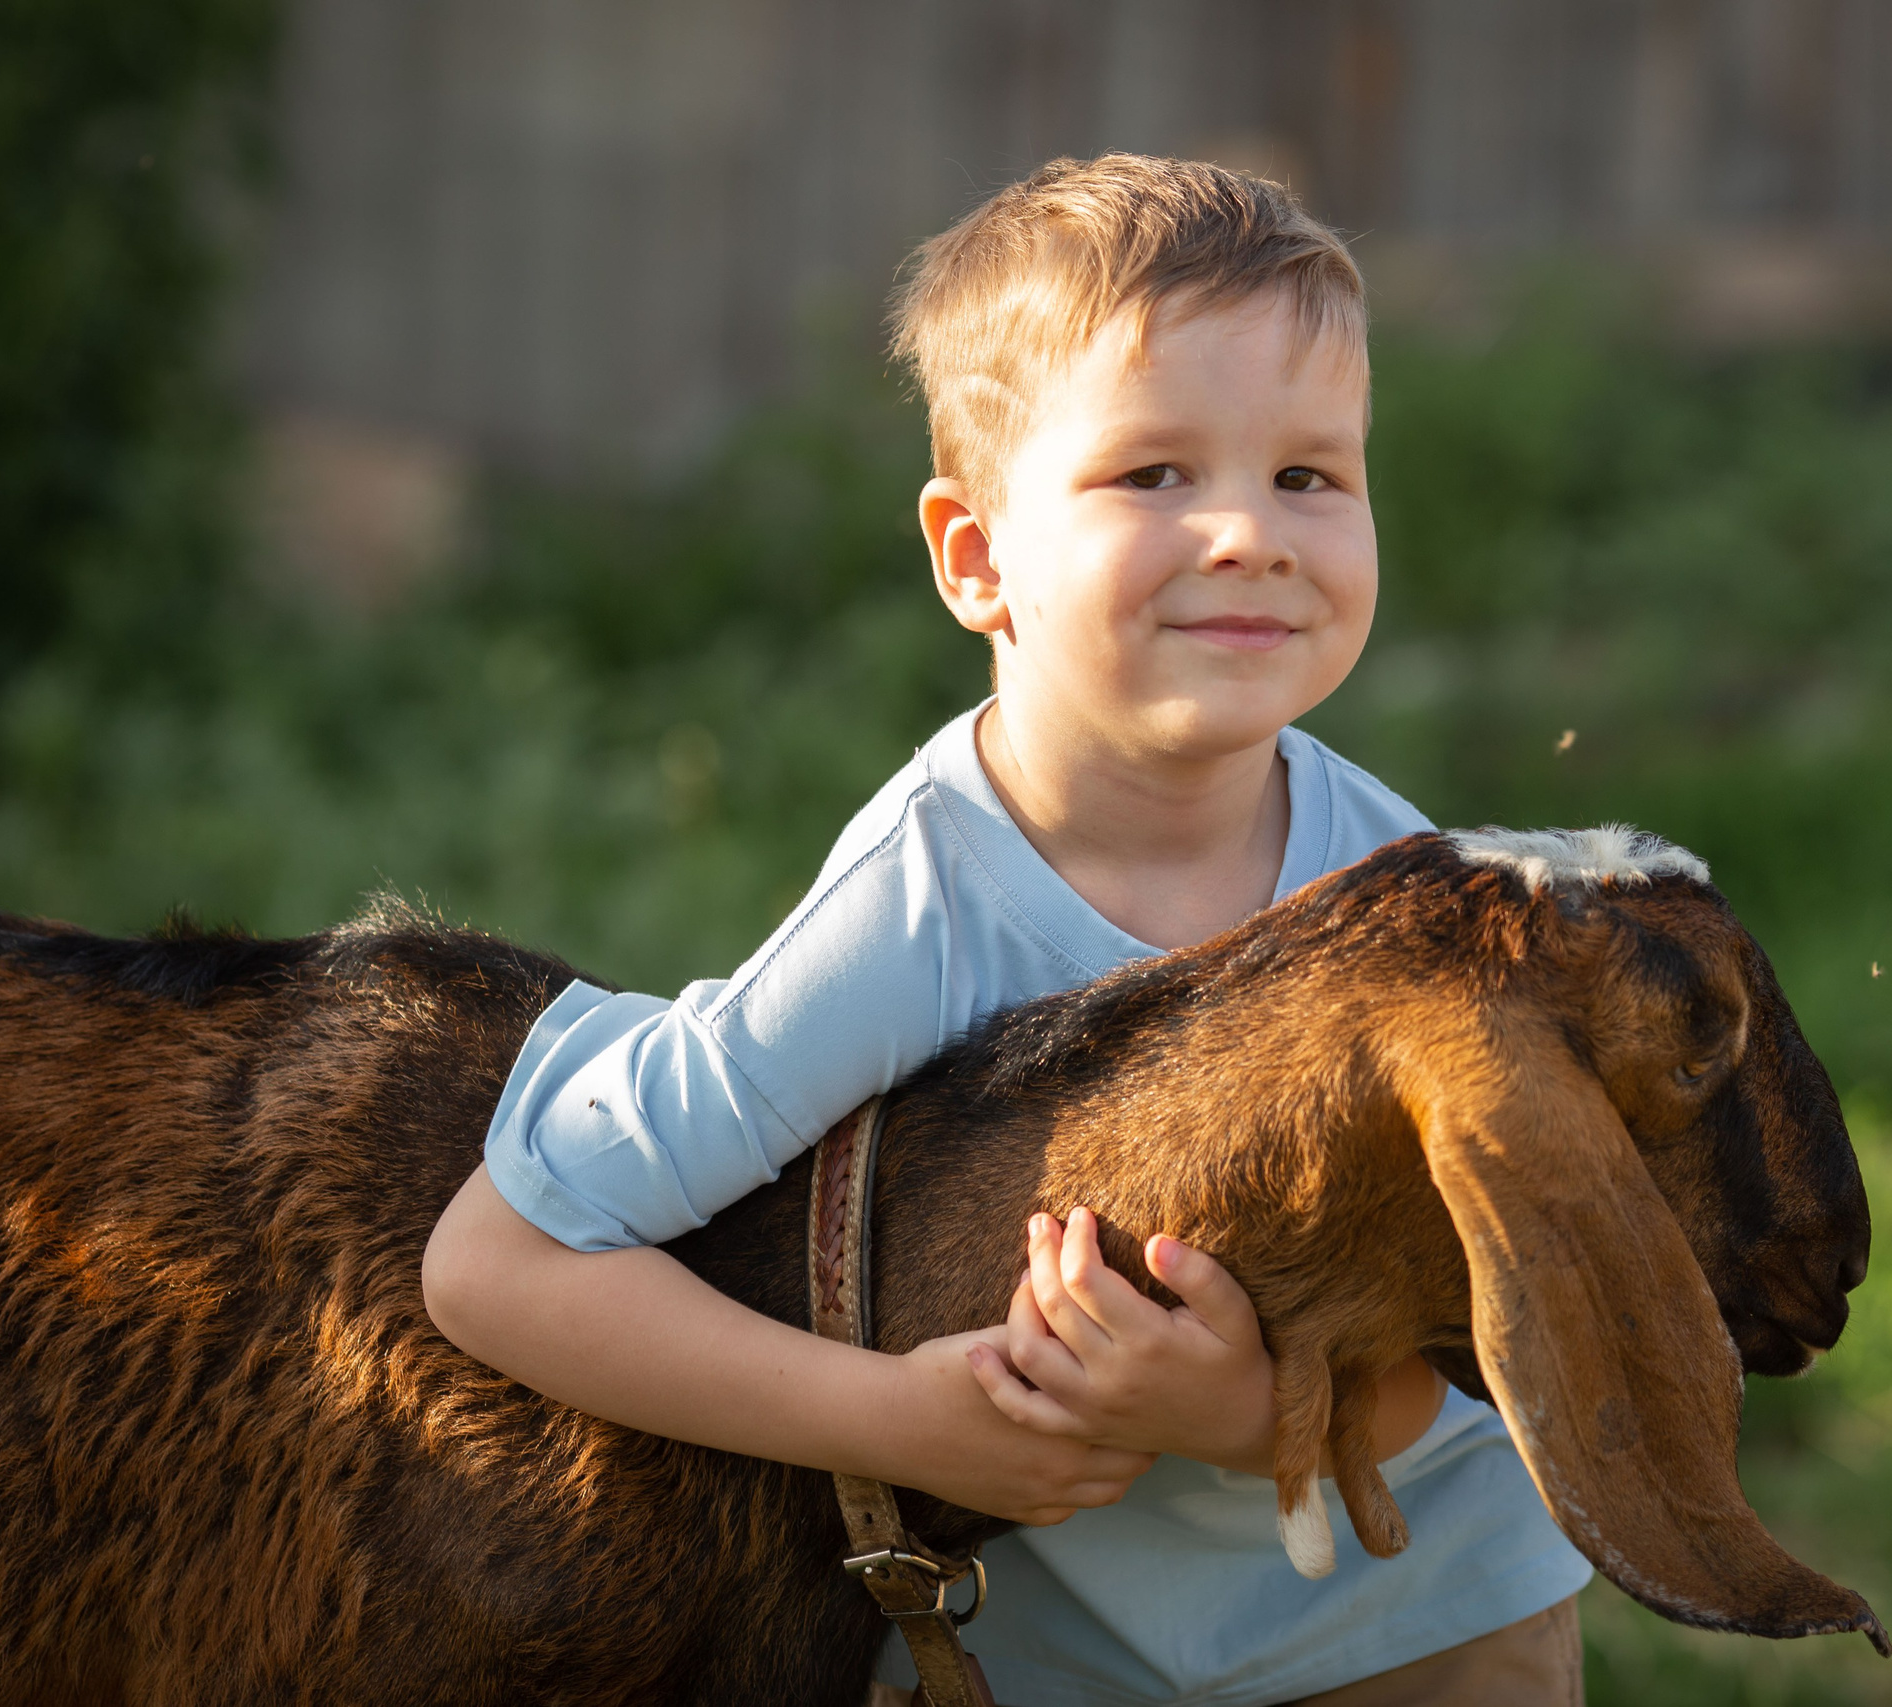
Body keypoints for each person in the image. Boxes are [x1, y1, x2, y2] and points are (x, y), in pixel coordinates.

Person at [420, 154, 1591, 1707]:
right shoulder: (926, 907)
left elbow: (1480, 1342)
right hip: (1045, 1662)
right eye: (1153, 475)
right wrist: (895, 1422)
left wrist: (1241, 1411)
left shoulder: (1400, 899)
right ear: (976, 556)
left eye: (1310, 475)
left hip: (1426, 1621)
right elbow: (498, 1264)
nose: (1248, 531)